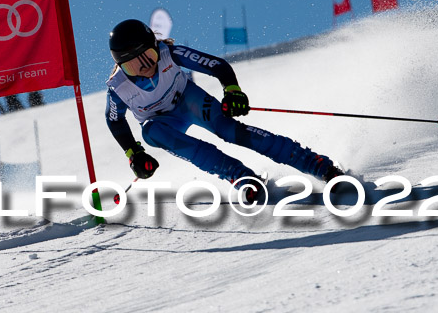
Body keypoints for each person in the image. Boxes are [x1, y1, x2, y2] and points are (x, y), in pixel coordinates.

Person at [105, 19, 343, 203]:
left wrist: (232, 91)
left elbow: (217, 65)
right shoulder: (119, 88)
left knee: (230, 131)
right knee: (151, 131)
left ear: (156, 47)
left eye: (149, 57)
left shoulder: (170, 54)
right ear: (121, 66)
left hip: (189, 102)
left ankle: (318, 165)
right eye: (133, 65)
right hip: (163, 124)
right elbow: (115, 122)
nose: (145, 68)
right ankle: (241, 177)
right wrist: (134, 154)